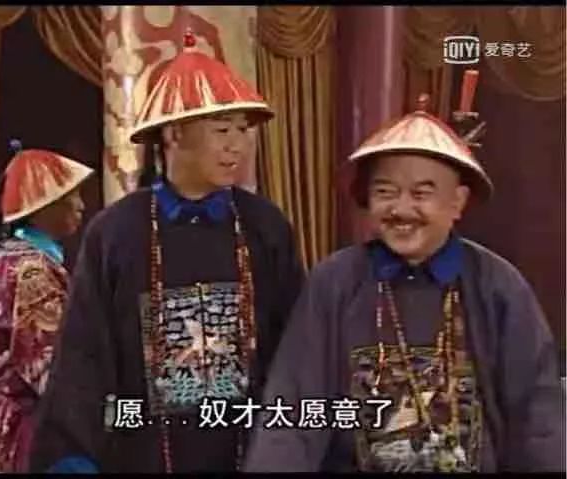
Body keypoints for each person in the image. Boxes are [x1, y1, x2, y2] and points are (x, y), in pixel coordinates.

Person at [28, 30, 305, 473]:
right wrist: (73, 456)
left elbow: (296, 347)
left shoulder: (265, 227)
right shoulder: (115, 234)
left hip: (252, 452)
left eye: (243, 129)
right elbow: (83, 357)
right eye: (222, 129)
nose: (237, 144)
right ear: (174, 134)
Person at [241, 98, 566, 472]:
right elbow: (296, 407)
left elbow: (537, 416)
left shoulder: (497, 286)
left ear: (457, 201)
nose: (401, 209)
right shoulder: (334, 283)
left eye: (421, 193)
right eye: (385, 192)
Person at [0, 141, 94, 472]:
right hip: (24, 431)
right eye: (72, 197)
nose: (81, 206)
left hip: (9, 422)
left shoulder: (13, 256)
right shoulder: (30, 270)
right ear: (43, 205)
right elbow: (48, 367)